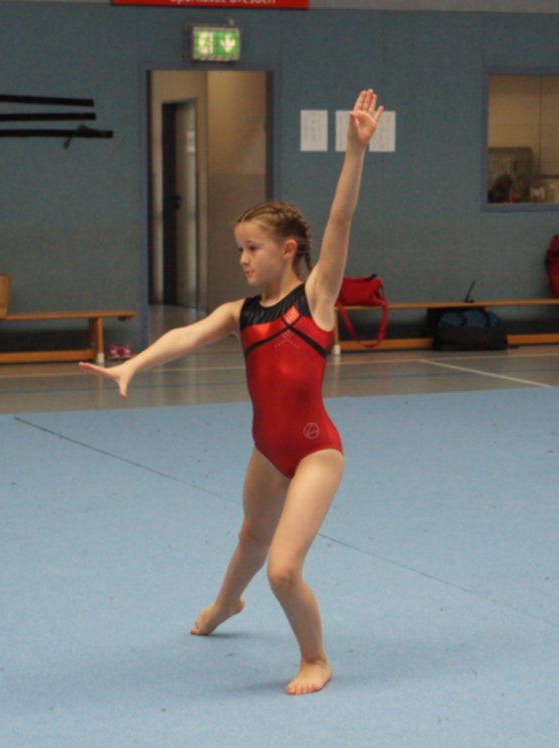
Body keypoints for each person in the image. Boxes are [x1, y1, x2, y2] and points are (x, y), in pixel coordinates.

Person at [80, 89, 383, 696]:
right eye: (239, 249)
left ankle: (316, 659)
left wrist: (355, 150)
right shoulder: (239, 312)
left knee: (283, 569)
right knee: (250, 537)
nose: (243, 259)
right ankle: (226, 603)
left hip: (315, 450)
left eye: (252, 249)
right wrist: (132, 365)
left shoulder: (316, 297)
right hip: (267, 449)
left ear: (288, 250)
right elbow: (184, 335)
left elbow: (341, 221)